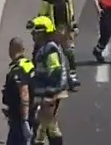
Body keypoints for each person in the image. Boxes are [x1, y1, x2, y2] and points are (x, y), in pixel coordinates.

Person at [28, 16, 68, 145]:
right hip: (45, 92)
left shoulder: (50, 49)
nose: (33, 36)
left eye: (36, 33)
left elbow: (55, 71)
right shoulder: (42, 48)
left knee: (40, 127)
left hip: (50, 93)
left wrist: (49, 95)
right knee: (50, 125)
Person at [38, 0, 81, 90]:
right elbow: (42, 15)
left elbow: (71, 14)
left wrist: (73, 27)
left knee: (70, 53)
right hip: (52, 32)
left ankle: (72, 77)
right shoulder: (48, 0)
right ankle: (52, 79)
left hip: (65, 30)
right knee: (52, 55)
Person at [1, 37, 36, 145]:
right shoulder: (29, 64)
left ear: (11, 49)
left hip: (20, 117)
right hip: (30, 112)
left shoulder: (18, 69)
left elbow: (24, 93)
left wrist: (24, 120)